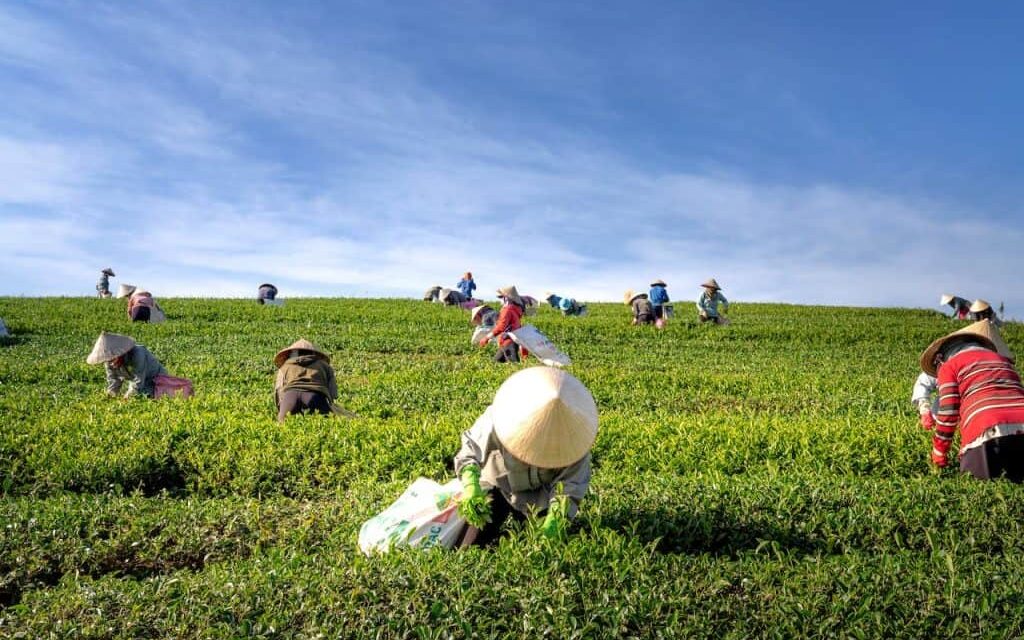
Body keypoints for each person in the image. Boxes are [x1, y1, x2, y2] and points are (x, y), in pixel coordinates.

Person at [454, 367, 598, 546]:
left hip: (538, 498)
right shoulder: (499, 417)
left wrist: (554, 523)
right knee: (471, 542)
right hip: (498, 483)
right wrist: (470, 485)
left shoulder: (575, 444)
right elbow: (471, 449)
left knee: (537, 547)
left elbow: (568, 490)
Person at [920, 319, 1024, 480]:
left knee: (976, 482)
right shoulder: (1004, 362)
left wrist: (939, 453)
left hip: (987, 429)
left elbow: (949, 411)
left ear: (941, 358)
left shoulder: (949, 365)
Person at [86, 332, 168, 398]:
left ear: (119, 353)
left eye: (113, 358)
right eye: (109, 359)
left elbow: (138, 381)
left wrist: (127, 397)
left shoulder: (137, 354)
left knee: (145, 394)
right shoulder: (108, 361)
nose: (111, 362)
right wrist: (110, 395)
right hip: (139, 382)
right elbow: (114, 380)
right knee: (135, 394)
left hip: (157, 380)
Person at [274, 339, 339, 422]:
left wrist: (282, 408)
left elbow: (278, 390)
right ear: (313, 353)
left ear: (292, 353)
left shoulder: (285, 366)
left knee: (282, 426)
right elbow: (333, 392)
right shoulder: (324, 365)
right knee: (327, 423)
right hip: (315, 397)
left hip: (289, 397)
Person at [480, 286, 529, 363]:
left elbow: (501, 326)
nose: (501, 301)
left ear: (507, 298)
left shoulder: (507, 310)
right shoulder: (516, 310)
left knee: (514, 366)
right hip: (508, 342)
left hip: (508, 342)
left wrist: (487, 337)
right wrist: (523, 347)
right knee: (495, 363)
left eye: (502, 297)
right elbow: (518, 328)